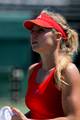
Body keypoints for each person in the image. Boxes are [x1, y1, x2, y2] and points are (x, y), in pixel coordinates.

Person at [11, 8, 80, 120]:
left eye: (40, 30)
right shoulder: (33, 70)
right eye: (32, 31)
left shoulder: (69, 71)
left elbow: (74, 118)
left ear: (57, 37)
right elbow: (36, 113)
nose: (33, 35)